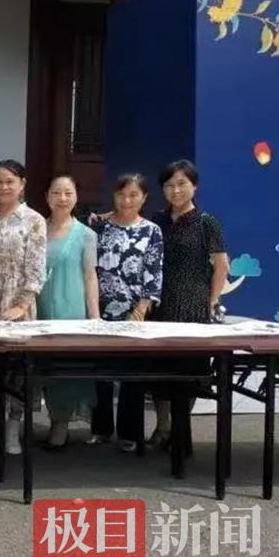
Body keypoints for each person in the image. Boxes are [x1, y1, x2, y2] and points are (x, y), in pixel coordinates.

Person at [149, 159, 230, 445]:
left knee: (189, 372)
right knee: (159, 373)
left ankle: (180, 430)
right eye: (169, 185)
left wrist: (211, 301)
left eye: (182, 184)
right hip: (160, 305)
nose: (176, 190)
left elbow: (221, 266)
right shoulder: (156, 221)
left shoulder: (207, 223)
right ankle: (162, 427)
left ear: (194, 186)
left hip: (193, 307)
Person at [0, 159, 48, 455]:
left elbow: (36, 269)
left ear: (22, 184)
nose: (4, 187)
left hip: (18, 304)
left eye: (10, 181)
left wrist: (22, 304)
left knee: (17, 370)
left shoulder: (34, 220)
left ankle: (14, 428)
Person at [90, 173, 164, 451]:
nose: (127, 200)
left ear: (144, 198)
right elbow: (90, 268)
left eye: (134, 195)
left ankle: (130, 434)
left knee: (132, 375)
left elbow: (154, 272)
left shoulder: (152, 231)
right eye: (121, 194)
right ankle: (101, 429)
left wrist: (142, 308)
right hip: (101, 310)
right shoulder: (100, 227)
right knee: (100, 373)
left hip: (135, 312)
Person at [35, 175, 100, 451]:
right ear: (47, 196)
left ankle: (60, 426)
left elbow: (90, 276)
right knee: (42, 368)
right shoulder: (36, 229)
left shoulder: (86, 235)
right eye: (56, 193)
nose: (62, 198)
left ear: (76, 197)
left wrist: (94, 316)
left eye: (68, 193)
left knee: (66, 369)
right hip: (39, 308)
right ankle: (51, 418)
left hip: (71, 308)